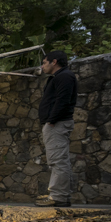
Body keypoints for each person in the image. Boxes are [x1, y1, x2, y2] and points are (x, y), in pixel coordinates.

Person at [35, 50, 78, 207]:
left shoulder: (65, 77)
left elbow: (63, 100)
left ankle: (58, 196)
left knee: (58, 160)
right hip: (55, 123)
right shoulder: (58, 77)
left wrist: (52, 120)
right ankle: (60, 195)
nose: (42, 66)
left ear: (54, 62)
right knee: (57, 160)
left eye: (45, 62)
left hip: (57, 123)